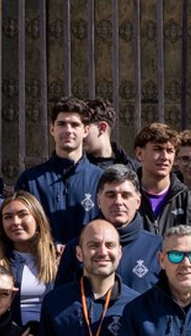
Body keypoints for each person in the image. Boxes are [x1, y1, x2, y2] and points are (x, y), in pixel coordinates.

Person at [57, 165, 161, 292]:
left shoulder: (158, 248)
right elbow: (60, 301)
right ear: (99, 201)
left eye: (126, 195)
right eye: (111, 195)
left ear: (138, 202)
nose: (118, 201)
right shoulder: (77, 247)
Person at [16, 97, 103, 248]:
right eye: (62, 124)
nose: (68, 130)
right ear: (52, 129)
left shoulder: (101, 179)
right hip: (41, 264)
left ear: (86, 131)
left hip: (86, 265)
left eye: (75, 125)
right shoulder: (30, 180)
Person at [135, 121, 191, 250]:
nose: (165, 157)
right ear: (139, 154)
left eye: (170, 150)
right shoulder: (125, 197)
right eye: (157, 149)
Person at [0, 190, 61, 328]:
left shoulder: (57, 257)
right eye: (8, 217)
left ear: (37, 218)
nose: (15, 222)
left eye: (22, 215)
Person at [84, 98, 135, 170]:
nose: (81, 134)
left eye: (85, 128)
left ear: (102, 128)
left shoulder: (134, 169)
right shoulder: (76, 169)